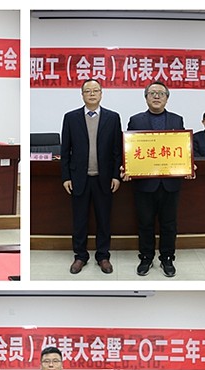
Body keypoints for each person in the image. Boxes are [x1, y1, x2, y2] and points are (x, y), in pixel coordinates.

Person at [125, 81, 192, 278]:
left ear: (167, 98)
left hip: (170, 183)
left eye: (161, 93)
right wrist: (126, 166)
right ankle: (146, 257)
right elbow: (130, 148)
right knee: (145, 223)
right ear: (146, 97)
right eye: (152, 93)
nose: (156, 96)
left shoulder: (177, 120)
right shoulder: (135, 120)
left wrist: (188, 164)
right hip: (144, 183)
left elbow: (182, 148)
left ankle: (167, 258)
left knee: (169, 223)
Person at [61, 78, 122, 275]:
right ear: (82, 95)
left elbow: (117, 150)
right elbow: (65, 150)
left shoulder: (113, 118)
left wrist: (116, 176)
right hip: (79, 178)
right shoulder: (71, 118)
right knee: (79, 220)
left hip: (104, 179)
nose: (92, 94)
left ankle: (103, 256)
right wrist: (66, 177)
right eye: (88, 91)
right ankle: (80, 256)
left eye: (96, 90)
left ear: (101, 94)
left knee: (104, 220)